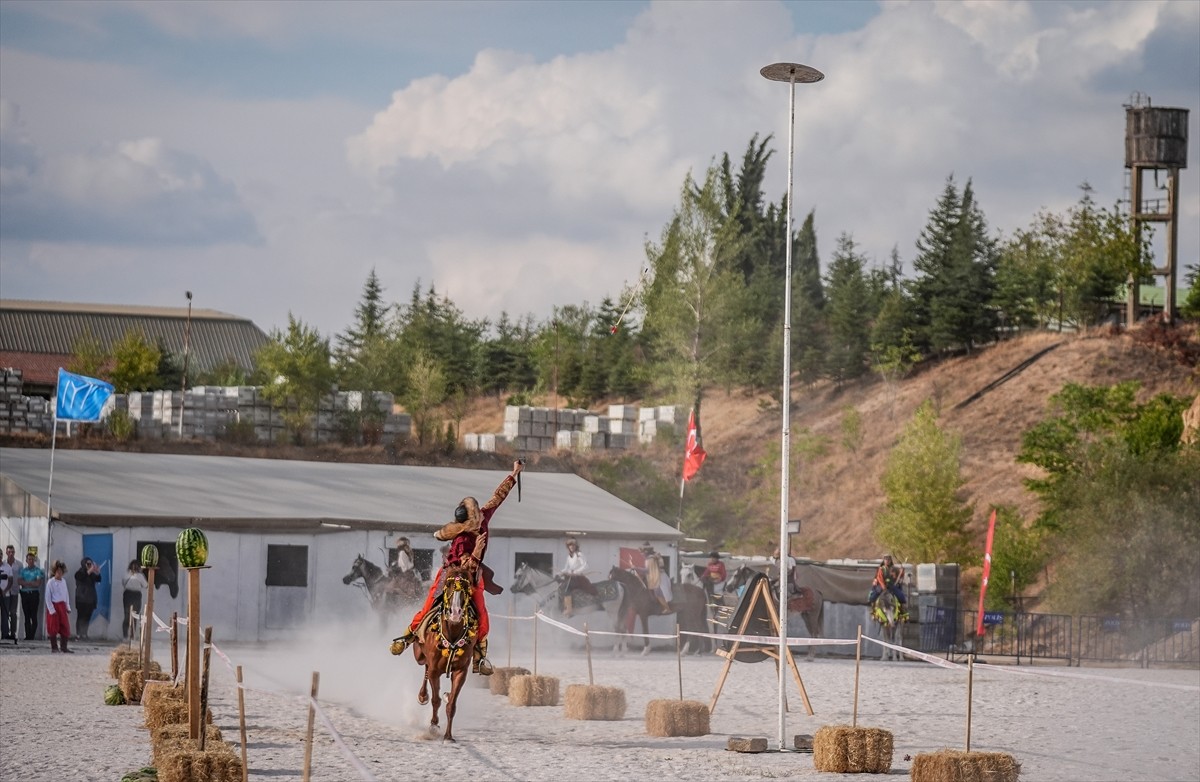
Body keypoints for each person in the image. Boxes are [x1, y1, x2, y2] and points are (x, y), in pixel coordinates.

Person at [390, 459, 524, 675]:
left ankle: (479, 655)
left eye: (480, 513)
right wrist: (477, 552)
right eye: (477, 515)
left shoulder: (483, 518)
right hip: (452, 574)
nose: (482, 515)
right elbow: (464, 566)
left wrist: (514, 473)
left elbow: (497, 497)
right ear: (469, 521)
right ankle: (407, 637)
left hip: (473, 575)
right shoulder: (462, 539)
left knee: (481, 611)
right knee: (428, 607)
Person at [557, 538, 596, 617]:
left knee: (566, 588)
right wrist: (559, 573)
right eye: (570, 545)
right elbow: (566, 568)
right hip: (570, 577)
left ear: (576, 546)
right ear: (568, 547)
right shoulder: (569, 557)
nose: (571, 547)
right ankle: (563, 606)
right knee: (560, 587)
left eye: (573, 545)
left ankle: (569, 609)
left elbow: (586, 566)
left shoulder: (579, 554)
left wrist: (576, 572)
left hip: (578, 578)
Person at [44, 560, 73, 653]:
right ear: (54, 571)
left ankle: (64, 647)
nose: (59, 573)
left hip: (62, 606)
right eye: (58, 571)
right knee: (53, 627)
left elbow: (66, 595)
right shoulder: (50, 582)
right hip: (54, 606)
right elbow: (47, 597)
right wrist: (51, 609)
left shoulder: (63, 581)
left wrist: (67, 607)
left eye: (61, 571)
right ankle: (54, 647)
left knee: (65, 627)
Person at [17, 551, 44, 641]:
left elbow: (38, 583)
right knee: (26, 616)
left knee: (34, 615)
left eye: (32, 559)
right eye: (29, 559)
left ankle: (32, 636)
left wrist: (26, 583)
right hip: (25, 595)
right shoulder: (23, 571)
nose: (31, 561)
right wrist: (31, 583)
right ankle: (27, 636)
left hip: (34, 595)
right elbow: (19, 582)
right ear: (26, 560)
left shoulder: (37, 571)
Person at [638, 543, 672, 613]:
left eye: (642, 553)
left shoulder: (650, 559)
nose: (642, 554)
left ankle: (666, 608)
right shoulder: (653, 557)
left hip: (659, 576)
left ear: (646, 551)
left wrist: (636, 568)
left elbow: (647, 570)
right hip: (657, 575)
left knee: (658, 592)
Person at [73, 557, 102, 640]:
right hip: (81, 599)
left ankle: (84, 633)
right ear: (84, 564)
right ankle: (78, 634)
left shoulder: (92, 574)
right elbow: (81, 577)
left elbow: (98, 580)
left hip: (90, 599)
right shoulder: (79, 573)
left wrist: (98, 572)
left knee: (87, 617)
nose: (90, 566)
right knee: (80, 617)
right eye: (88, 564)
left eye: (91, 564)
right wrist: (90, 571)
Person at [121, 560, 148, 640]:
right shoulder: (133, 575)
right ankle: (128, 635)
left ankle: (129, 635)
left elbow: (145, 585)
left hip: (132, 594)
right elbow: (145, 585)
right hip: (132, 594)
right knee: (130, 615)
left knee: (131, 615)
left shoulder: (134, 575)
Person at [0, 545, 18, 640]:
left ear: (2, 556)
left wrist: (5, 590)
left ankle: (5, 634)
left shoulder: (7, 567)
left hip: (5, 595)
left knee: (5, 615)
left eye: (0, 555)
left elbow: (11, 581)